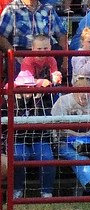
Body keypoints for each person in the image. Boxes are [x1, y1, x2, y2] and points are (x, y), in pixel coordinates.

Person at [51, 76, 90, 196]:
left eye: (87, 92)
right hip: (66, 143)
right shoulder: (63, 102)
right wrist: (79, 135)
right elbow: (59, 129)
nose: (84, 96)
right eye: (81, 92)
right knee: (82, 159)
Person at [6, 69, 56, 198]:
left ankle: (46, 191)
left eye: (30, 86)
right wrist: (20, 101)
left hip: (39, 138)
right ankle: (17, 189)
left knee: (47, 158)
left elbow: (43, 119)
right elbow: (15, 121)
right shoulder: (11, 101)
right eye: (23, 86)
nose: (27, 89)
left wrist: (37, 101)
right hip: (18, 139)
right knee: (18, 157)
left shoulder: (43, 99)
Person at [0, 0, 69, 65]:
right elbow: (1, 37)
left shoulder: (48, 9)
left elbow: (62, 35)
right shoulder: (11, 10)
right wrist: (15, 56)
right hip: (23, 54)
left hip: (48, 53)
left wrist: (65, 60)